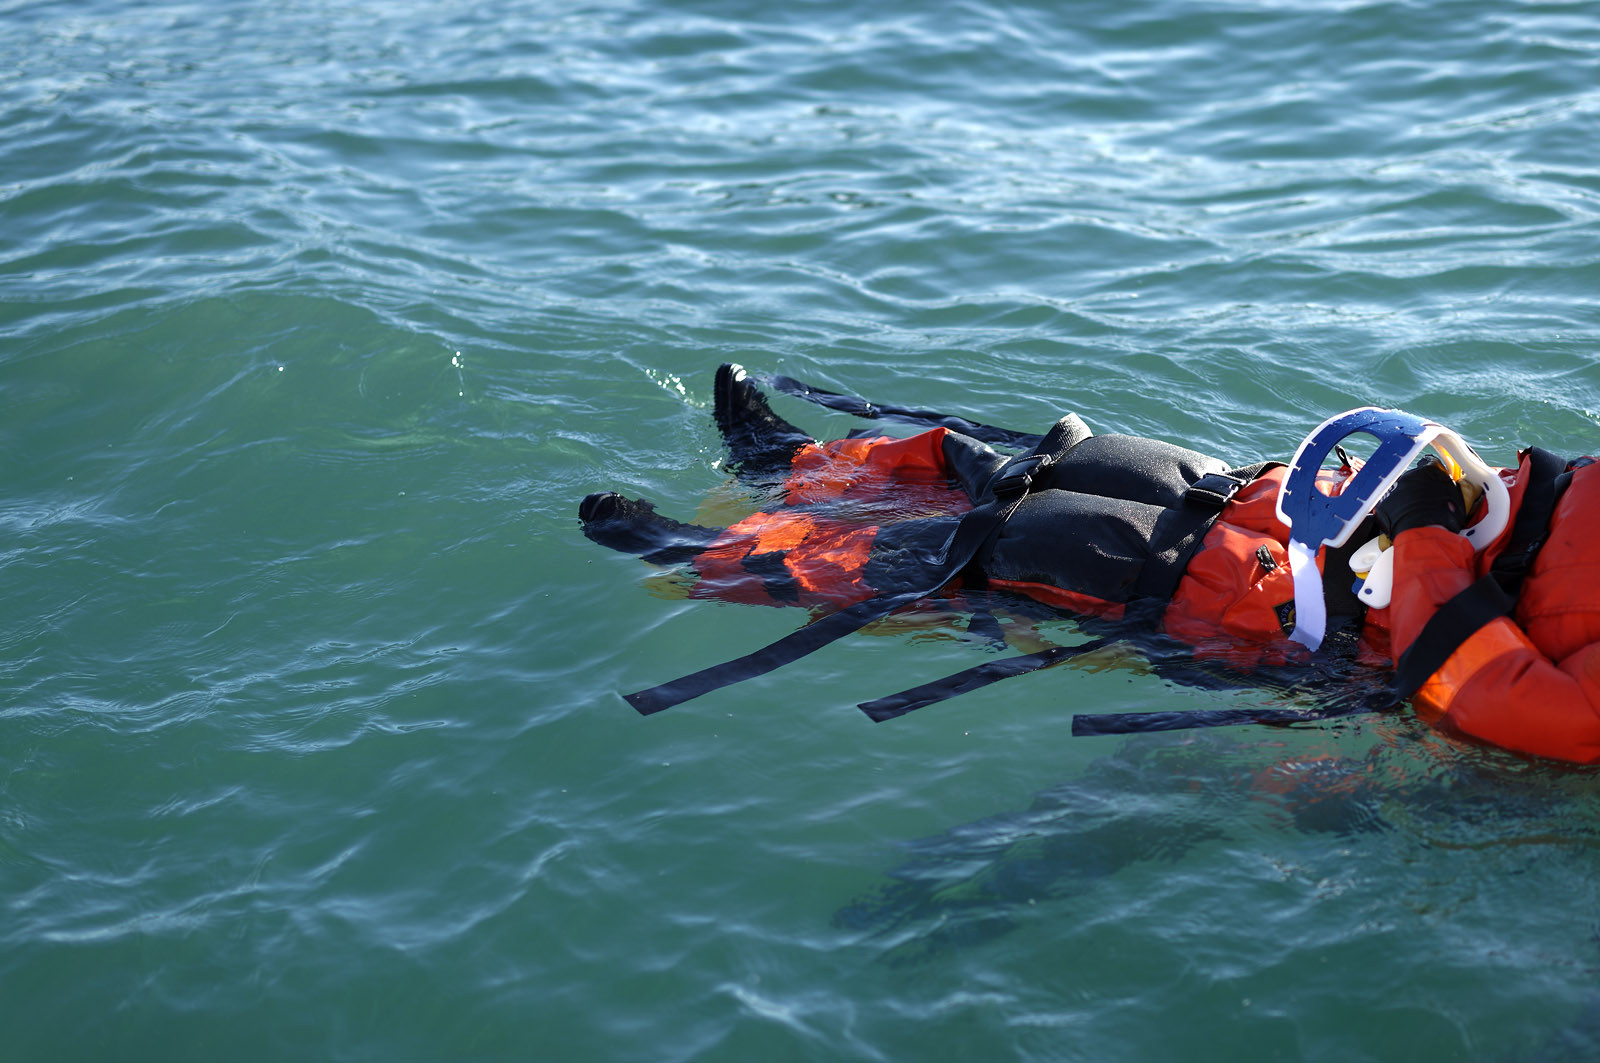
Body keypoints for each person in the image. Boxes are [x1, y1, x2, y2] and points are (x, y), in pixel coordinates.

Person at [580, 365, 1600, 765]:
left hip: (1290, 605)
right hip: (1297, 512)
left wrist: (1419, 534)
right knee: (1043, 463)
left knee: (983, 549)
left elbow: (1511, 706)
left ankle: (694, 556)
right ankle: (785, 461)